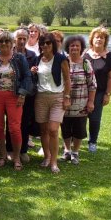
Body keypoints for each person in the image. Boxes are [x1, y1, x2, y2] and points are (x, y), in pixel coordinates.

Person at [0, 31, 32, 170]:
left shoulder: (19, 58)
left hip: (15, 96)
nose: (4, 44)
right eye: (1, 42)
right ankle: (3, 156)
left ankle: (17, 157)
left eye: (7, 41)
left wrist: (23, 94)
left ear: (12, 43)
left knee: (14, 128)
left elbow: (27, 77)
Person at [31, 32, 71, 173]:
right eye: (42, 43)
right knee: (43, 130)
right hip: (41, 97)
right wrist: (33, 72)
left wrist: (66, 97)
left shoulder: (61, 59)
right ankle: (47, 157)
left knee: (53, 130)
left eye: (48, 43)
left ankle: (54, 162)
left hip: (57, 97)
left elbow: (67, 79)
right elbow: (34, 78)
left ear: (53, 44)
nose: (45, 45)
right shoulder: (37, 60)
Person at [61, 35, 97, 164]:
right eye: (72, 45)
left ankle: (75, 152)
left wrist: (91, 102)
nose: (74, 48)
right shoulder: (63, 62)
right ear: (67, 48)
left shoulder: (86, 63)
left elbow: (92, 84)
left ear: (81, 48)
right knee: (65, 128)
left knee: (79, 129)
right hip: (65, 102)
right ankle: (66, 150)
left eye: (77, 45)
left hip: (81, 103)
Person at [83, 26, 111, 153]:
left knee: (95, 118)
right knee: (80, 117)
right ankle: (77, 140)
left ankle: (92, 142)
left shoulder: (109, 57)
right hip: (83, 91)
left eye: (102, 38)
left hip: (99, 92)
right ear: (92, 39)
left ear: (105, 40)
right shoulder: (85, 54)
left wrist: (108, 94)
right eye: (97, 37)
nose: (99, 40)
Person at [13, 28, 38, 163]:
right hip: (12, 94)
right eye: (19, 38)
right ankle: (11, 149)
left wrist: (32, 73)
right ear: (15, 39)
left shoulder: (32, 55)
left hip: (28, 94)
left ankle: (23, 150)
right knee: (12, 123)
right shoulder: (9, 54)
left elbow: (32, 77)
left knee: (24, 122)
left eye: (24, 38)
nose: (22, 41)